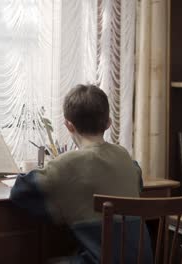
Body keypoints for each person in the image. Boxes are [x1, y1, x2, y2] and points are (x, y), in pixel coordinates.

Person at [10, 84, 152, 264]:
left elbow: (19, 192)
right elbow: (137, 180)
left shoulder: (65, 164)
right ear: (108, 123)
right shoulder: (124, 156)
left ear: (68, 125)